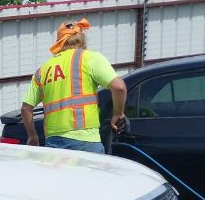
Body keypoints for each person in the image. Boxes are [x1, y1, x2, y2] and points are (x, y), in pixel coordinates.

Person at [21, 19, 127, 153]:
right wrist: (118, 113)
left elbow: (26, 109)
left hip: (53, 143)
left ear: (59, 41)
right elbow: (119, 87)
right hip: (86, 142)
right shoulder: (89, 58)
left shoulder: (43, 70)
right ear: (82, 39)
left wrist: (33, 136)